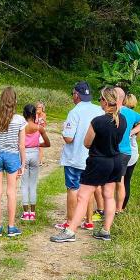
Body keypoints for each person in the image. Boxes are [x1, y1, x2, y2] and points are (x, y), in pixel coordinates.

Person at [50, 86, 126, 243]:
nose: (100, 102)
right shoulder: (122, 120)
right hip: (115, 161)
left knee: (83, 196)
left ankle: (70, 231)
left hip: (98, 161)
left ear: (105, 101)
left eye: (101, 99)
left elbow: (87, 143)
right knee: (109, 196)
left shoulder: (98, 121)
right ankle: (106, 230)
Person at [56, 81, 104, 231]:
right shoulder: (99, 110)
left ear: (76, 95)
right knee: (88, 189)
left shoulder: (74, 112)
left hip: (75, 157)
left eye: (73, 94)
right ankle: (89, 221)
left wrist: (63, 131)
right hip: (93, 157)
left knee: (73, 188)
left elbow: (69, 138)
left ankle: (70, 221)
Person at [0, 87, 27, 238]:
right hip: (12, 156)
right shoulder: (20, 120)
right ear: (15, 101)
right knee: (11, 192)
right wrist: (22, 164)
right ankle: (11, 227)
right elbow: (21, 145)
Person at [114, 87, 140, 213]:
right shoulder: (133, 115)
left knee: (118, 182)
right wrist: (132, 132)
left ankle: (115, 208)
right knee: (125, 181)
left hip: (122, 152)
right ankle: (121, 208)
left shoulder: (122, 113)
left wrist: (130, 132)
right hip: (131, 153)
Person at [20, 104, 51, 221]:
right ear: (34, 115)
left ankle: (25, 213)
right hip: (35, 154)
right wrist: (38, 144)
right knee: (32, 184)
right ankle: (32, 212)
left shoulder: (21, 127)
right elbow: (48, 143)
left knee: (24, 184)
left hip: (23, 154)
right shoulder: (39, 128)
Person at [35, 101, 47, 165]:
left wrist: (42, 119)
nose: (38, 108)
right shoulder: (35, 114)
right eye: (37, 107)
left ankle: (40, 161)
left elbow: (45, 124)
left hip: (41, 131)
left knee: (40, 147)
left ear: (42, 108)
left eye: (39, 107)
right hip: (35, 131)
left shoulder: (43, 114)